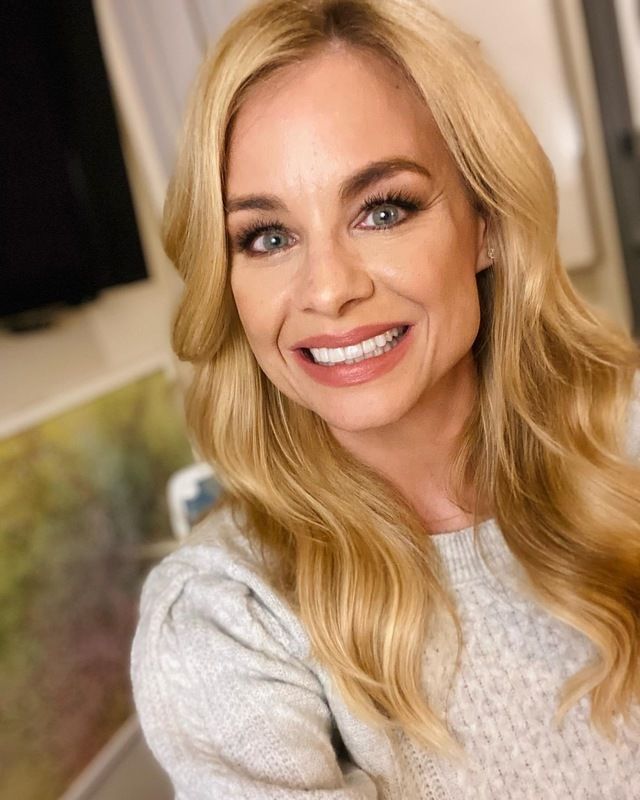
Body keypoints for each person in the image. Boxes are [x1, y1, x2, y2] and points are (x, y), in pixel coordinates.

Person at [130, 1, 640, 797]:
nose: (329, 289)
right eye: (268, 237)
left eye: (383, 210)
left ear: (486, 221)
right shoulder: (227, 618)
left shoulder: (626, 442)